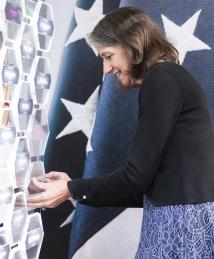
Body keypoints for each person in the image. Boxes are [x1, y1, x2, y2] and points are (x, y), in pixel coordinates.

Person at [27, 7, 214, 258]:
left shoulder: (162, 79)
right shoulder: (169, 77)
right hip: (183, 219)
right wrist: (72, 187)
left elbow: (135, 179)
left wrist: (70, 189)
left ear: (132, 45)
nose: (106, 69)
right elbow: (143, 187)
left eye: (108, 55)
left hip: (180, 224)